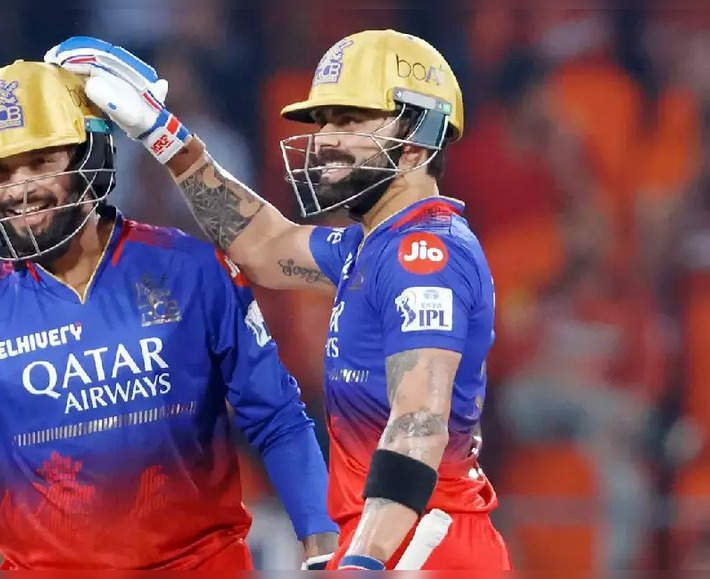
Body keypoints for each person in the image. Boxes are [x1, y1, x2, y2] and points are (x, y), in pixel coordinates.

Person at [46, 30, 510, 570]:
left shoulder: (423, 255)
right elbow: (263, 247)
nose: (325, 139)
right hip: (397, 540)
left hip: (421, 547)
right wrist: (163, 134)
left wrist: (363, 561)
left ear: (418, 140)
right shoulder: (374, 247)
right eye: (324, 122)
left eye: (350, 120)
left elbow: (419, 424)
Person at [0, 59, 338, 570]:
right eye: (0, 171)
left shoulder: (192, 271)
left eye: (40, 162)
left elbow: (275, 416)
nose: (20, 188)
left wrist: (322, 545)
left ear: (89, 156)